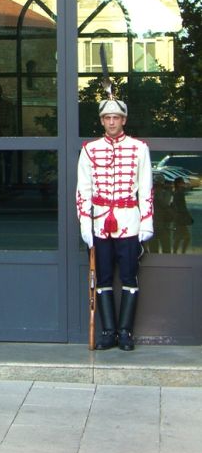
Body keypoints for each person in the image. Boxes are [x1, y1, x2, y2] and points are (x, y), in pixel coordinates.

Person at [76, 98, 153, 351]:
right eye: (107, 118)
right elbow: (83, 191)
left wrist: (146, 223)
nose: (111, 122)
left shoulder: (139, 148)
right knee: (103, 278)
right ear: (101, 121)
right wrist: (85, 225)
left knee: (130, 277)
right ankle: (108, 332)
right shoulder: (89, 149)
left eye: (116, 117)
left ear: (124, 120)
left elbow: (146, 189)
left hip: (129, 222)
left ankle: (125, 333)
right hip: (99, 223)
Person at [171, 177, 193, 254]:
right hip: (181, 218)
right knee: (186, 237)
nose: (183, 184)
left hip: (177, 218)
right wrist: (188, 216)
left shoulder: (176, 192)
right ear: (178, 184)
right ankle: (182, 252)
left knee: (178, 237)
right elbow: (183, 207)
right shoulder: (179, 193)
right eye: (182, 182)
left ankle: (175, 252)